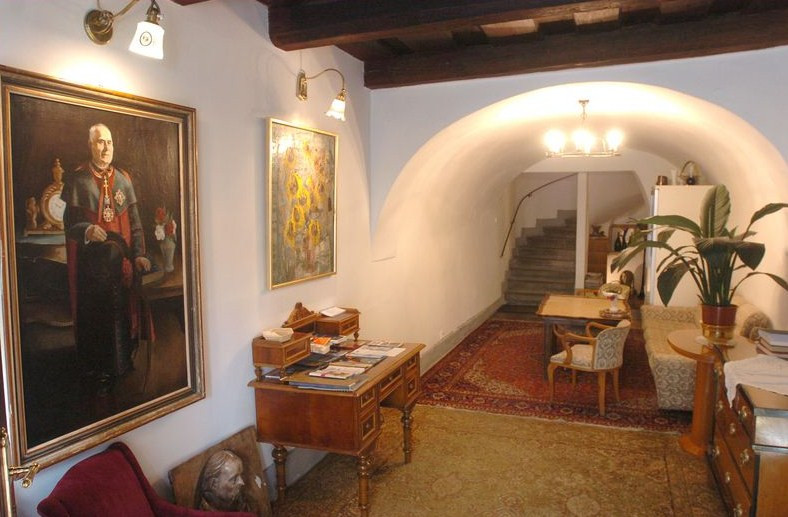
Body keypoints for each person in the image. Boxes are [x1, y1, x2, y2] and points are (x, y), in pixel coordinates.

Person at [61, 123, 152, 392]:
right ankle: (100, 370)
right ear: (90, 145)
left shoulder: (123, 179)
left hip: (123, 263)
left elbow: (135, 224)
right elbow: (70, 225)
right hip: (93, 267)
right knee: (99, 317)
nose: (105, 148)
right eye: (100, 142)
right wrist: (87, 229)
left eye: (109, 142)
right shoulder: (78, 179)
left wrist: (140, 255)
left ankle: (123, 363)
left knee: (122, 312)